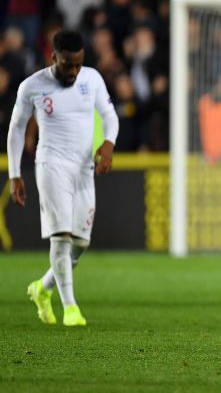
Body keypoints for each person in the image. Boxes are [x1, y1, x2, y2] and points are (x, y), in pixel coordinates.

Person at [7, 30, 119, 327]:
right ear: (53, 57)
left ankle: (42, 289)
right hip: (51, 164)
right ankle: (71, 307)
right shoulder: (32, 86)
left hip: (83, 168)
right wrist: (15, 174)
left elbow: (109, 114)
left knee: (80, 242)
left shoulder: (91, 79)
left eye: (78, 64)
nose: (73, 71)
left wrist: (108, 142)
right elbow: (16, 129)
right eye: (68, 64)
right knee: (62, 236)